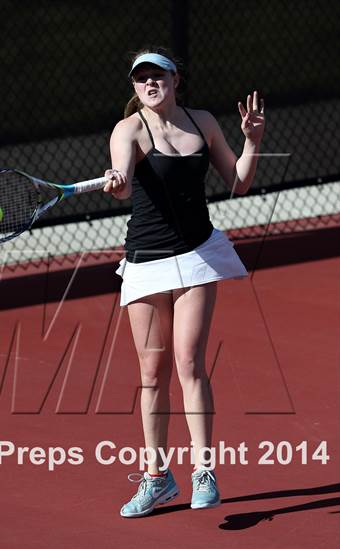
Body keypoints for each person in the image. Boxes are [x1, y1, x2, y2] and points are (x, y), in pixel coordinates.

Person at [103, 47, 265, 518]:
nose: (150, 84)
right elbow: (125, 184)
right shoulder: (129, 129)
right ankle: (157, 479)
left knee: (189, 362)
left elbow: (239, 181)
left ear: (176, 80)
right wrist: (118, 181)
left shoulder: (203, 122)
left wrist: (253, 141)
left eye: (158, 76)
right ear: (135, 88)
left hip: (197, 254)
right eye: (141, 79)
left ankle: (203, 471)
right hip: (147, 262)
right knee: (152, 375)